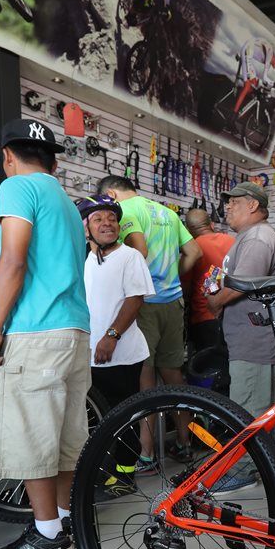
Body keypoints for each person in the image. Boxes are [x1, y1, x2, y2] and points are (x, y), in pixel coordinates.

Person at [0, 118, 91, 549]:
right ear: (54, 159)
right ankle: (63, 520)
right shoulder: (65, 200)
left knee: (29, 433)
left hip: (34, 329)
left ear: (8, 156)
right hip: (73, 330)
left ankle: (47, 533)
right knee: (64, 434)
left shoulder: (18, 187)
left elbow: (13, 260)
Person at [99, 175, 201, 467]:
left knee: (144, 380)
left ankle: (147, 453)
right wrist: (171, 279)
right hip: (173, 302)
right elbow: (194, 252)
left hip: (144, 304)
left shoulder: (128, 211)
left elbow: (139, 251)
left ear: (111, 194)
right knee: (173, 376)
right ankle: (184, 444)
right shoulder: (167, 212)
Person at [203, 182, 275, 493]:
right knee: (255, 408)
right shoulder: (251, 237)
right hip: (250, 340)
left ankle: (242, 471)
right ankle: (260, 467)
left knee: (249, 411)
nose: (227, 207)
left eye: (234, 202)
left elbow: (242, 287)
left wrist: (214, 300)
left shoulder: (258, 239)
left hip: (256, 344)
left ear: (253, 205)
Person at [77, 194, 155, 500]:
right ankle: (103, 471)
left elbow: (135, 298)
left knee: (123, 415)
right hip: (87, 355)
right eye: (98, 219)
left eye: (111, 218)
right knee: (95, 418)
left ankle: (125, 475)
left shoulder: (129, 256)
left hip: (121, 353)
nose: (107, 223)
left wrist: (111, 335)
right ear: (86, 228)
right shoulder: (81, 258)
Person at [182, 207, 233, 356]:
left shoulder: (191, 250)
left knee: (206, 369)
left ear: (188, 230)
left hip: (204, 317)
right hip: (232, 315)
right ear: (211, 225)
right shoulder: (232, 241)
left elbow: (186, 289)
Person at [233, 38, 275, 113]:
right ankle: (233, 115)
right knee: (247, 86)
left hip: (248, 51)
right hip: (247, 51)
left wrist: (272, 84)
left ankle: (239, 100)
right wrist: (274, 85)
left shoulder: (268, 61)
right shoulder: (270, 53)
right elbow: (265, 78)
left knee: (254, 82)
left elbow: (264, 78)